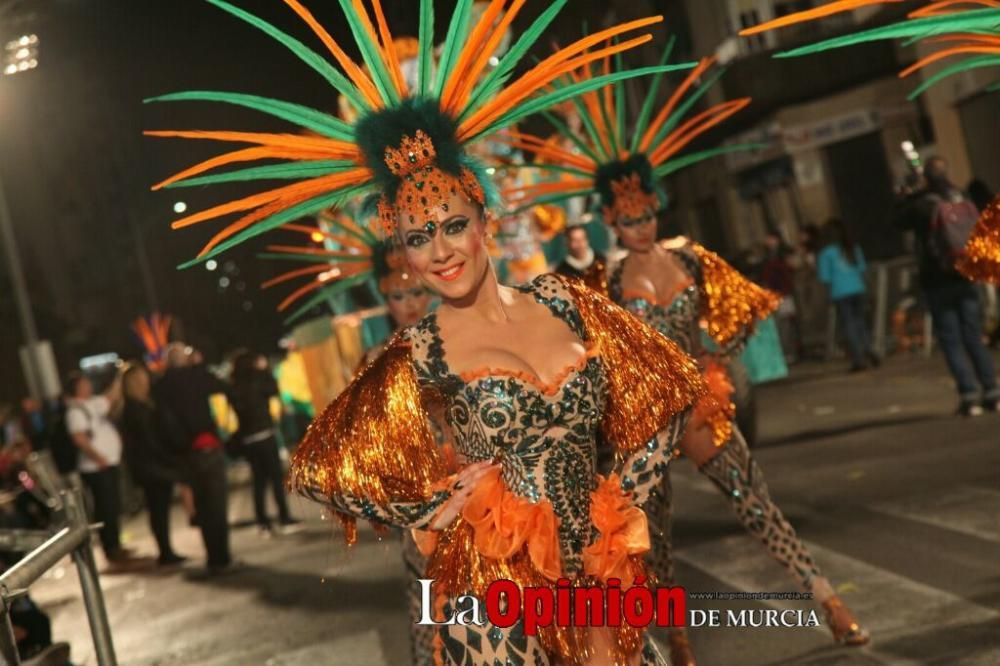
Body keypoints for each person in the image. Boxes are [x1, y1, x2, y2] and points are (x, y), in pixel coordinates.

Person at [151, 3, 698, 662]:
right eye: (417, 237)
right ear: (402, 252)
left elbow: (669, 387)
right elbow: (323, 470)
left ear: (484, 219)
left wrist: (622, 502)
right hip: (497, 601)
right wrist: (435, 506)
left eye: (452, 224)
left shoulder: (561, 298)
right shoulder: (419, 350)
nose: (439, 251)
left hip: (597, 576)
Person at [511, 52, 870, 663]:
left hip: (697, 403)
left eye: (647, 213)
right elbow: (584, 354)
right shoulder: (602, 280)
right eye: (628, 220)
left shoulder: (691, 259)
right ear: (608, 222)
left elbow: (741, 308)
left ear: (657, 207)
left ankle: (830, 602)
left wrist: (715, 359)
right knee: (656, 540)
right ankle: (677, 644)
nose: (641, 226)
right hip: (642, 420)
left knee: (755, 504)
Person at [896, 157, 999, 415]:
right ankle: (992, 391)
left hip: (937, 278)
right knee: (973, 336)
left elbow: (897, 221)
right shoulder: (961, 196)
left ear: (926, 177)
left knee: (951, 340)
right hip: (966, 276)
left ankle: (969, 395)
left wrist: (906, 194)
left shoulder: (923, 203)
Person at [154, 344, 237, 574]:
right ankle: (222, 558)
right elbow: (223, 387)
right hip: (206, 446)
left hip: (182, 454)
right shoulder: (196, 376)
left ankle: (212, 556)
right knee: (217, 504)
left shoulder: (160, 387)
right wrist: (199, 365)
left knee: (202, 505)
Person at [64, 370, 136, 565]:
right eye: (84, 383)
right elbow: (79, 439)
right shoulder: (75, 411)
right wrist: (99, 458)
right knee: (106, 507)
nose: (89, 385)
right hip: (96, 468)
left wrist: (120, 375)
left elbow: (111, 397)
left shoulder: (92, 403)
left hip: (106, 464)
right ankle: (111, 548)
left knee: (113, 506)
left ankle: (116, 545)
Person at [121, 364, 187, 566]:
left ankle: (166, 549)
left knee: (160, 508)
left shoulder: (143, 404)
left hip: (152, 464)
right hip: (151, 465)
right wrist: (167, 458)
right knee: (158, 508)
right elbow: (147, 439)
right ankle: (165, 551)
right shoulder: (135, 408)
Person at [228, 351, 298, 535]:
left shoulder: (234, 386)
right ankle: (284, 517)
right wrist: (264, 370)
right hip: (265, 434)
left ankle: (263, 522)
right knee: (275, 478)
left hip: (248, 439)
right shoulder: (259, 379)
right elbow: (274, 389)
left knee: (258, 481)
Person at [817, 219, 880, 372]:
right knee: (860, 321)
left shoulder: (826, 253)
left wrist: (827, 295)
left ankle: (858, 358)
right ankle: (867, 346)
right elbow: (862, 268)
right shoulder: (852, 248)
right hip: (858, 287)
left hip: (840, 292)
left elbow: (825, 278)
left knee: (848, 325)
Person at [554, 224, 606, 289]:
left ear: (587, 240)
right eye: (575, 240)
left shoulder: (601, 260)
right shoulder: (562, 272)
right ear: (567, 243)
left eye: (582, 239)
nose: (580, 244)